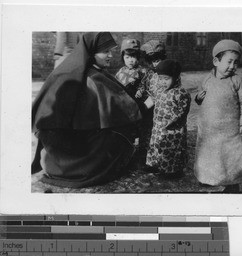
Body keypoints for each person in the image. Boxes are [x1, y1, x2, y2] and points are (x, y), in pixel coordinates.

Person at [31, 32, 144, 188]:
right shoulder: (89, 76)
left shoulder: (92, 71)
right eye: (106, 52)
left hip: (71, 141)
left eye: (111, 51)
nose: (111, 55)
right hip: (68, 145)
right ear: (91, 52)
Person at [194, 39, 242, 193]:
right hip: (209, 128)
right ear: (216, 61)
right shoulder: (207, 79)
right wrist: (199, 98)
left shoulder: (237, 81)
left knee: (230, 156)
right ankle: (208, 178)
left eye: (236, 63)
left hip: (229, 129)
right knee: (208, 154)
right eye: (229, 62)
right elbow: (200, 96)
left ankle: (231, 182)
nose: (232, 66)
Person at [146, 60, 191, 179]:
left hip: (172, 129)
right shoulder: (160, 90)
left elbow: (182, 111)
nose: (162, 82)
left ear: (175, 77)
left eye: (166, 79)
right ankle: (156, 165)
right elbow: (152, 99)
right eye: (160, 79)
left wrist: (168, 123)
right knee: (156, 145)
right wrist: (143, 107)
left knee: (170, 149)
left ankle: (171, 171)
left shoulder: (180, 93)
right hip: (158, 127)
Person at [138, 40, 167, 170]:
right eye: (153, 61)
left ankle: (158, 159)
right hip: (148, 105)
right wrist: (140, 91)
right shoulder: (149, 73)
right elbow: (143, 84)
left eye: (159, 60)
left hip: (160, 107)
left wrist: (149, 103)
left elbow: (165, 92)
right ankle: (145, 157)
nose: (156, 63)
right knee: (146, 130)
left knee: (158, 133)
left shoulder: (167, 73)